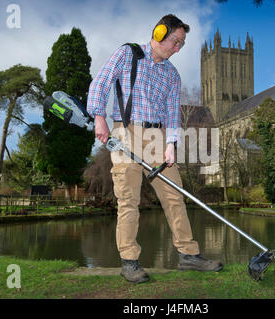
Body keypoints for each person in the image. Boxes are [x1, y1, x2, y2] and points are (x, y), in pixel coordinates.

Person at [87, 14, 222, 284]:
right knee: (129, 199)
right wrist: (98, 116)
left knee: (175, 196)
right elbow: (100, 83)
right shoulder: (129, 54)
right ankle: (129, 260)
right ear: (160, 33)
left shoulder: (172, 75)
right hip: (127, 132)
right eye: (175, 41)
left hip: (159, 138)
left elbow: (173, 114)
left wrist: (171, 145)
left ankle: (188, 255)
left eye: (181, 45)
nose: (177, 48)